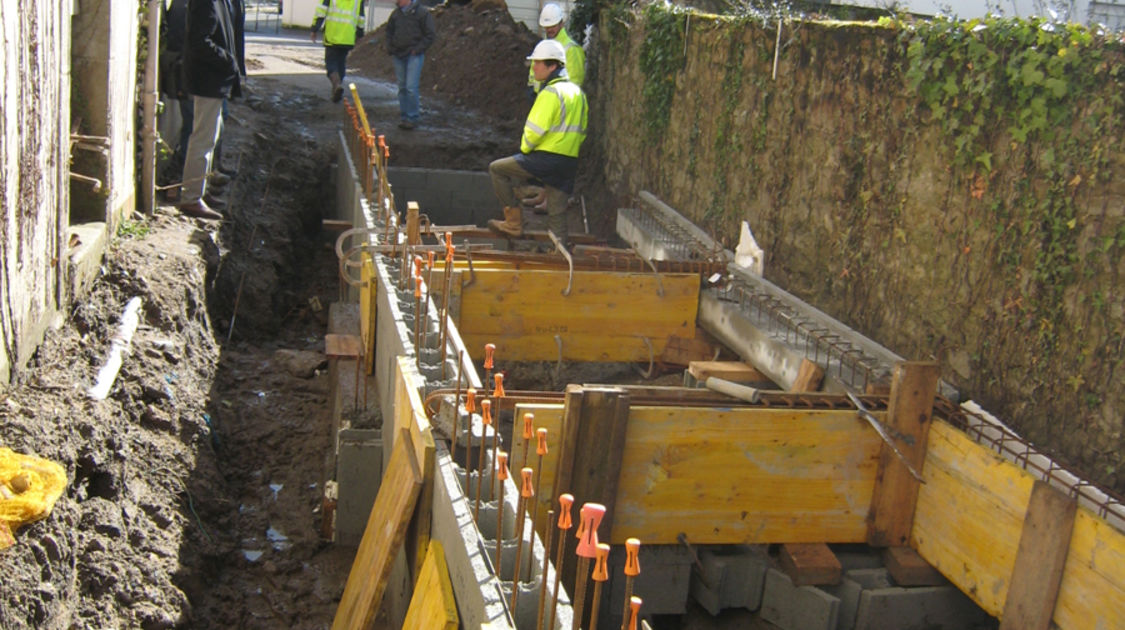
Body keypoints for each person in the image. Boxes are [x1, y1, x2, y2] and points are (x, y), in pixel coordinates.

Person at [488, 40, 587, 245]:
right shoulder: (578, 94)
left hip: (544, 158)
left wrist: (525, 151)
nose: (534, 67)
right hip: (568, 160)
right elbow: (582, 131)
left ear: (552, 66)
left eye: (538, 63)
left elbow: (533, 132)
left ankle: (514, 224)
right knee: (557, 213)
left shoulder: (550, 93)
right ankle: (559, 254)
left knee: (497, 169)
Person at [179, 0, 243, 220]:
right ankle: (191, 198)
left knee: (209, 137)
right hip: (206, 80)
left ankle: (200, 192)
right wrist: (228, 62)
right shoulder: (205, 2)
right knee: (202, 139)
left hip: (214, 80)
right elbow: (199, 41)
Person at [386, 0, 436, 129]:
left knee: (411, 87)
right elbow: (389, 32)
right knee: (403, 87)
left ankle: (412, 118)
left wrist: (417, 49)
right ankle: (405, 118)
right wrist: (391, 47)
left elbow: (430, 35)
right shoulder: (396, 15)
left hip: (414, 55)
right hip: (399, 54)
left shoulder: (422, 13)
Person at [310, 0, 366, 103]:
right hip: (348, 36)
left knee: (331, 63)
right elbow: (361, 16)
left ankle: (336, 84)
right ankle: (337, 88)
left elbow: (322, 10)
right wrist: (360, 33)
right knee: (341, 63)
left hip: (333, 35)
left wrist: (314, 28)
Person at [527, 3, 585, 97]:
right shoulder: (543, 46)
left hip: (559, 102)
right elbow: (533, 71)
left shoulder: (571, 49)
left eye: (552, 26)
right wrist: (532, 90)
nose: (549, 29)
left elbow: (575, 82)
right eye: (547, 27)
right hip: (541, 97)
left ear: (561, 23)